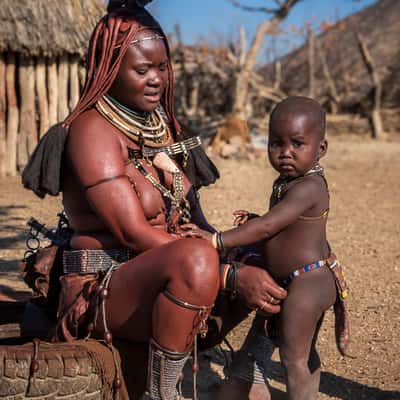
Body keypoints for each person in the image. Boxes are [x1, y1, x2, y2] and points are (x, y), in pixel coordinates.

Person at [21, 1, 287, 399]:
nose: (156, 80)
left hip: (178, 274)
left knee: (285, 239)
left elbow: (197, 220)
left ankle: (249, 367)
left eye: (162, 67)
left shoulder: (164, 126)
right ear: (110, 69)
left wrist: (241, 251)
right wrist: (228, 275)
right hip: (106, 289)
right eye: (142, 69)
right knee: (198, 259)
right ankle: (162, 394)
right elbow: (133, 232)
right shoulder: (92, 130)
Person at [182, 96, 350, 400]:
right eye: (276, 144)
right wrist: (258, 221)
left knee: (293, 358)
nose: (285, 153)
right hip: (302, 278)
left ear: (320, 148)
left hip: (307, 281)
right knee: (302, 351)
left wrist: (217, 240)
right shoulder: (290, 181)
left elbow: (269, 226)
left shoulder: (308, 187)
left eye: (297, 144)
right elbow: (282, 226)